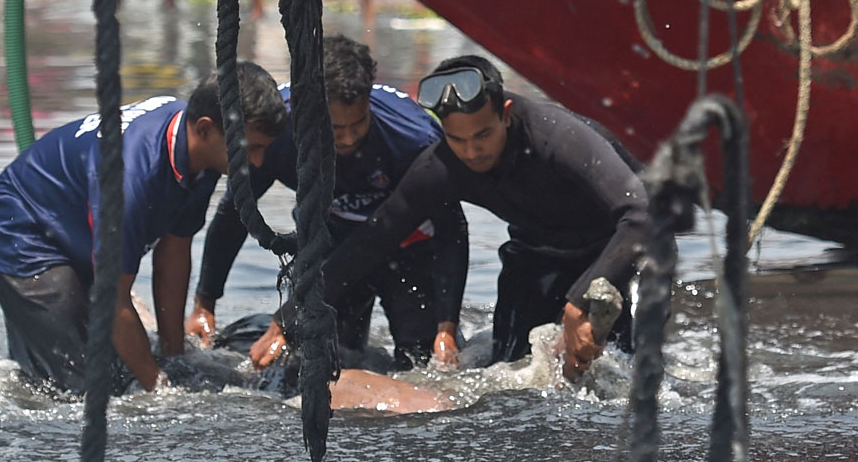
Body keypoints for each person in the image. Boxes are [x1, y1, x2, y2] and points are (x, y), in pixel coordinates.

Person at [261, 55, 648, 381]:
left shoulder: (555, 136)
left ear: (506, 114)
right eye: (457, 139)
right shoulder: (442, 165)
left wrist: (579, 302)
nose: (472, 152)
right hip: (535, 253)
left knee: (620, 372)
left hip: (615, 250)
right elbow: (371, 241)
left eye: (482, 136)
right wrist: (286, 318)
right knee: (514, 371)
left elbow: (639, 215)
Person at [0, 61, 287, 393]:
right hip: (19, 230)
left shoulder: (201, 147)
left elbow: (174, 253)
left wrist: (174, 355)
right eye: (250, 149)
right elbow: (112, 297)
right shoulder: (131, 178)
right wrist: (159, 390)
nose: (257, 163)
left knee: (124, 365)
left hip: (75, 227)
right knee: (81, 388)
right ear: (206, 129)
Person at [188, 34, 460, 370]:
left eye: (358, 124)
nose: (347, 138)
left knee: (421, 364)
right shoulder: (275, 133)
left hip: (408, 246)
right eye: (335, 128)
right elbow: (234, 214)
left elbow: (452, 228)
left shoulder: (413, 139)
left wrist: (446, 326)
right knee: (326, 360)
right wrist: (205, 303)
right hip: (329, 244)